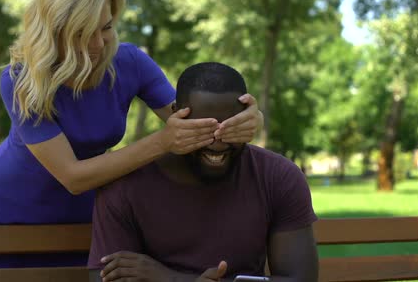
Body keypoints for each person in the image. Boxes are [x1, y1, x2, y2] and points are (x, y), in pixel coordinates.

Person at [0, 0, 262, 269]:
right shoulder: (20, 78)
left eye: (107, 27)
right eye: (84, 33)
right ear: (55, 31)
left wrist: (243, 121)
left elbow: (191, 125)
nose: (100, 44)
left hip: (87, 213)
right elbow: (73, 176)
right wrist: (163, 142)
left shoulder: (131, 63)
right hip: (8, 211)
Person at [88, 62, 318, 282]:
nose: (217, 143)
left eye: (229, 127)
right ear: (176, 115)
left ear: (247, 119)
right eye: (203, 128)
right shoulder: (125, 184)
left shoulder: (277, 177)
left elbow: (301, 279)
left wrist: (173, 279)